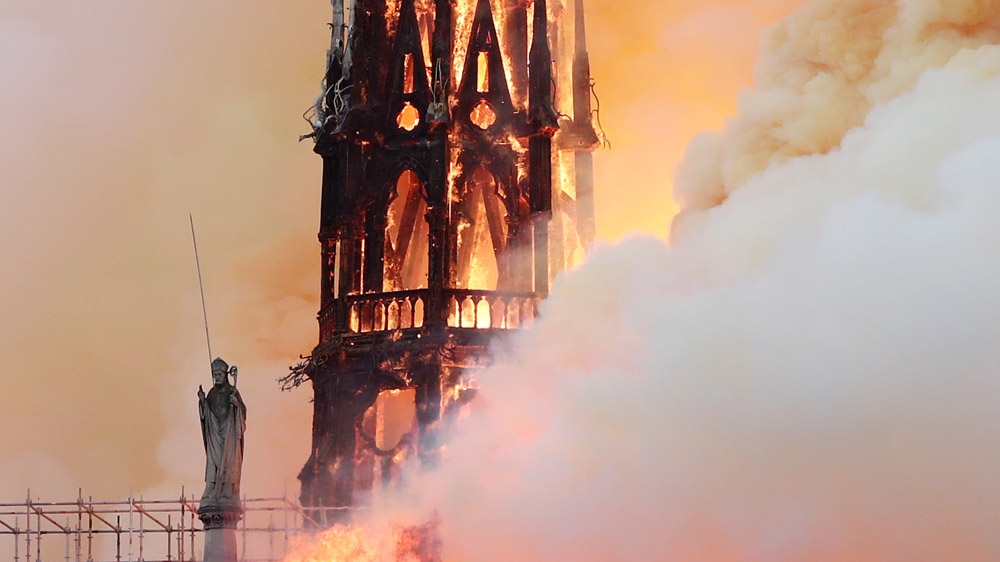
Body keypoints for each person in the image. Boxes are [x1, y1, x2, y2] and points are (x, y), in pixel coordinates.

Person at [198, 357, 246, 509]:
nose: (216, 377)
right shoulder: (212, 393)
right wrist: (203, 401)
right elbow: (207, 414)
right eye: (214, 374)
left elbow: (242, 413)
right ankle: (211, 488)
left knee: (230, 460)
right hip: (214, 433)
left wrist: (236, 405)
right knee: (213, 460)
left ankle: (228, 490)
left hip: (229, 432)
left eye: (219, 374)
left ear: (225, 374)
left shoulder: (232, 391)